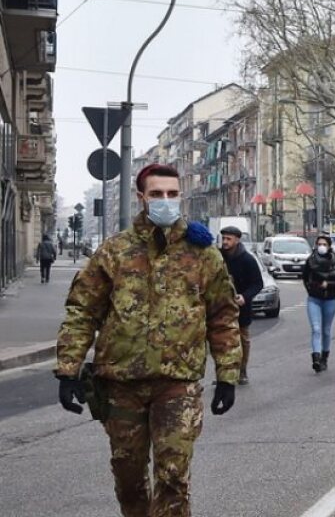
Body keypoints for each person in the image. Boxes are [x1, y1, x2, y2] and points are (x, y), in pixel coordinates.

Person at [55, 163, 240, 517]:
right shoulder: (115, 252)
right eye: (156, 194)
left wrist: (228, 375)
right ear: (142, 198)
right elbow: (82, 310)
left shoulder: (203, 254)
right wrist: (68, 369)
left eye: (172, 194)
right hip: (122, 385)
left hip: (178, 384)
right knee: (129, 479)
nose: (165, 201)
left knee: (173, 478)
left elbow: (223, 316)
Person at [220, 226, 264, 386]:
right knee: (222, 341)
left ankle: (242, 370)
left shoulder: (247, 260)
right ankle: (224, 373)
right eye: (223, 238)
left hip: (240, 308)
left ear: (237, 240)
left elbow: (258, 283)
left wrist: (245, 296)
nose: (225, 242)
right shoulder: (218, 257)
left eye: (228, 239)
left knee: (242, 339)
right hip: (221, 308)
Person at [303, 235, 335, 373]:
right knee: (316, 329)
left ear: (329, 246)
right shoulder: (311, 260)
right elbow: (305, 277)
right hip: (314, 299)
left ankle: (324, 357)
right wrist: (311, 289)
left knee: (325, 330)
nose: (321, 246)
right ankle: (316, 358)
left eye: (324, 244)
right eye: (319, 244)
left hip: (330, 300)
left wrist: (329, 284)